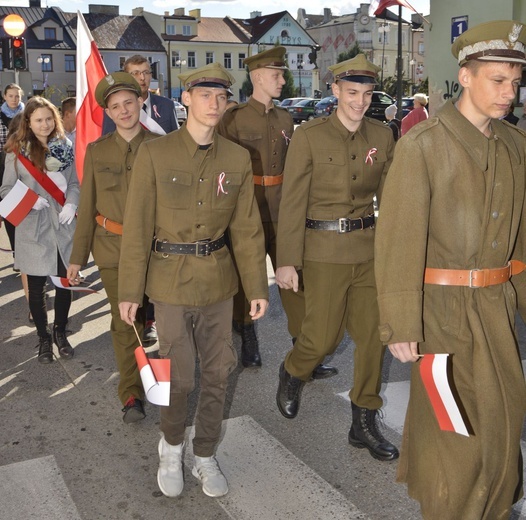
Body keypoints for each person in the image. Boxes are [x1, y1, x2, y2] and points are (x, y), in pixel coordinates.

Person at [375, 20, 526, 518]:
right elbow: (398, 241)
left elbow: (521, 239)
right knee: (456, 439)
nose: (510, 91)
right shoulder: (424, 146)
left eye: (516, 80)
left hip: (495, 310)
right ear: (465, 76)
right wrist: (400, 323)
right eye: (497, 80)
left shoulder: (515, 145)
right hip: (442, 316)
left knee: (502, 427)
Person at [118, 63, 268, 498]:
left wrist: (257, 287)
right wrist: (130, 292)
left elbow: (246, 228)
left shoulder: (237, 158)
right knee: (178, 378)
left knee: (219, 372)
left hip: (218, 283)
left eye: (221, 96)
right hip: (168, 283)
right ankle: (171, 447)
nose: (214, 104)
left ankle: (203, 454)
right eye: (205, 95)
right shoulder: (155, 154)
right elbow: (138, 226)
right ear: (186, 99)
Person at [275, 54, 398, 462]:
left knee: (373, 338)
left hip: (368, 251)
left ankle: (362, 421)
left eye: (366, 94)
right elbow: (292, 201)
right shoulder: (309, 135)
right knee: (322, 338)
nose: (359, 102)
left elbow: (392, 201)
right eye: (351, 93)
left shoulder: (382, 136)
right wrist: (287, 260)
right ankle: (293, 370)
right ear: (335, 91)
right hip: (322, 251)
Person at [219, 46, 336, 378]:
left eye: (282, 74)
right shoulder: (233, 118)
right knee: (247, 279)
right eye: (276, 75)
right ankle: (249, 338)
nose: (283, 80)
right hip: (248, 210)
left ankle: (305, 351)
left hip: (283, 211)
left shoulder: (286, 117)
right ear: (258, 77)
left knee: (293, 280)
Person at [67, 73, 160, 423]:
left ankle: (164, 387)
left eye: (129, 103)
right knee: (126, 322)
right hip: (113, 250)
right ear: (107, 111)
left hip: (156, 250)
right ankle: (132, 394)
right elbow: (88, 204)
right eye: (115, 106)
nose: (123, 111)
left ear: (140, 103)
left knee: (163, 321)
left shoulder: (162, 146)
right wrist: (77, 258)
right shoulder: (97, 151)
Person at [103, 54, 178, 344]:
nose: (142, 78)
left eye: (146, 72)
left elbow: (175, 144)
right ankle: (141, 314)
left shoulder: (165, 106)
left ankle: (153, 318)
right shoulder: (117, 111)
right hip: (132, 191)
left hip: (163, 191)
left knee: (160, 258)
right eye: (135, 73)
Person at [0, 96, 79, 363]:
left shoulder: (66, 146)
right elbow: (6, 189)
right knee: (36, 289)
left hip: (62, 225)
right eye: (38, 120)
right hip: (33, 227)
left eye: (48, 119)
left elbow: (76, 183)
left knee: (64, 284)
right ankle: (44, 338)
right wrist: (31, 200)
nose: (44, 125)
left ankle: (60, 332)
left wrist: (72, 203)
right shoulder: (16, 150)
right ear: (29, 122)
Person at [0, 84, 24, 153]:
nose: (14, 99)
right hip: (2, 157)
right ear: (5, 97)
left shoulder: (27, 115)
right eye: (10, 96)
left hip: (22, 157)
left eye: (17, 96)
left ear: (20, 97)